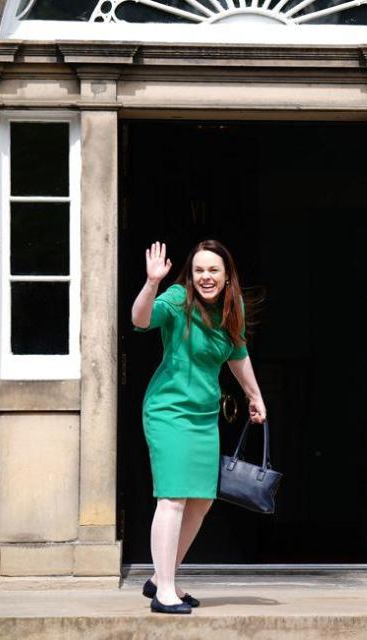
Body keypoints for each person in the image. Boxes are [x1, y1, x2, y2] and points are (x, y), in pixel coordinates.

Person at [131, 239, 266, 614]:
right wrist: (151, 282)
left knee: (202, 501)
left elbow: (237, 354)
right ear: (190, 276)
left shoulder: (230, 306)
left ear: (226, 276)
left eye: (213, 270)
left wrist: (255, 396)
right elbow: (140, 320)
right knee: (172, 497)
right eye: (199, 270)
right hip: (168, 411)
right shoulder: (176, 299)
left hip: (204, 415)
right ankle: (165, 593)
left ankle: (161, 578)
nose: (206, 277)